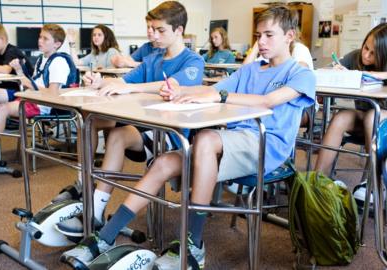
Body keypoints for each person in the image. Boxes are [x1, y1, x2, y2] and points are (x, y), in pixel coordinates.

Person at [61, 4, 315, 269]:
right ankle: (106, 235)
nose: (261, 41)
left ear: (290, 36)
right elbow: (212, 90)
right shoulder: (250, 70)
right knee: (163, 162)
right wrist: (179, 93)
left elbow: (268, 101)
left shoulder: (300, 74)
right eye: (258, 35)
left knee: (205, 138)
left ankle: (193, 242)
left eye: (269, 35)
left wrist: (220, 96)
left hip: (266, 147)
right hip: (231, 142)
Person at [57, 0, 204, 250]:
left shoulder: (193, 61)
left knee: (117, 136)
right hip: (144, 129)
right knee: (103, 129)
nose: (153, 36)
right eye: (152, 29)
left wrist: (128, 87)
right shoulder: (153, 58)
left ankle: (94, 205)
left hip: (171, 136)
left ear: (179, 31)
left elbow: (170, 88)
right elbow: (124, 82)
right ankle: (94, 207)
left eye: (160, 31)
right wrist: (99, 82)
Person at [0, 24, 71, 176]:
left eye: (45, 38)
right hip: (32, 97)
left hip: (44, 104)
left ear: (57, 44)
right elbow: (31, 82)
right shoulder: (43, 59)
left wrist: (31, 86)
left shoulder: (58, 62)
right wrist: (21, 72)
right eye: (40, 37)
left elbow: (53, 94)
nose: (40, 41)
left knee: (2, 108)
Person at [314, 23, 387, 191]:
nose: (366, 55)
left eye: (373, 54)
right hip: (364, 116)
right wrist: (336, 70)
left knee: (371, 117)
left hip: (381, 123)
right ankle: (318, 181)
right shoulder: (355, 57)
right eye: (365, 48)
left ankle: (374, 184)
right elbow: (325, 70)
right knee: (340, 117)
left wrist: (378, 75)